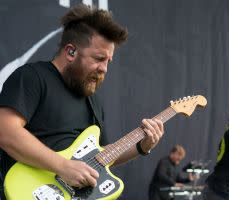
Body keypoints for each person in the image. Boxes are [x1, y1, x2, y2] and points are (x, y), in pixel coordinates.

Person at [0, 4, 164, 199]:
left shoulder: (93, 101)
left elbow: (102, 156)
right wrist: (63, 166)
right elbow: (5, 131)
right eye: (99, 58)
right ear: (71, 52)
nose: (104, 69)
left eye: (108, 61)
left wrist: (142, 145)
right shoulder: (32, 77)